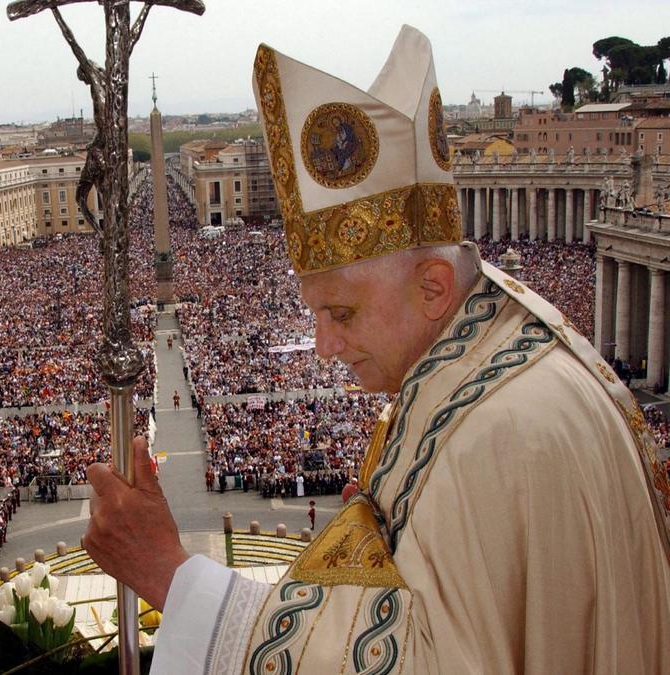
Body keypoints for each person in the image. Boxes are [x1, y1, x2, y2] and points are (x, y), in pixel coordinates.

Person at [83, 26, 670, 674]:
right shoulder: (503, 367)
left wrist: (174, 578)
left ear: (433, 287)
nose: (326, 346)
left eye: (341, 312)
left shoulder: (493, 433)